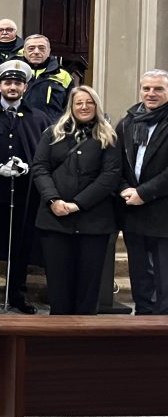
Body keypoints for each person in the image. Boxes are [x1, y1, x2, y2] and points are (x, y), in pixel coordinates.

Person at [31, 86, 122, 315]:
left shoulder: (108, 136)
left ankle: (84, 332)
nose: (84, 107)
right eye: (79, 102)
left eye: (89, 102)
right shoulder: (53, 133)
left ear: (96, 106)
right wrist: (53, 199)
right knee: (58, 286)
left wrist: (78, 204)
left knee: (88, 288)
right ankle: (60, 331)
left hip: (94, 222)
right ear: (70, 106)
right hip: (55, 219)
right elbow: (40, 168)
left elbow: (110, 176)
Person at [0, 60, 52, 311]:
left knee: (20, 245)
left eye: (17, 83)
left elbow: (44, 153)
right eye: (7, 83)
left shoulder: (38, 117)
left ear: (25, 87)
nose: (12, 87)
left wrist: (28, 166)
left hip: (24, 192)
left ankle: (17, 292)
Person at [117, 69, 168, 315]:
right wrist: (124, 188)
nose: (151, 93)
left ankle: (162, 326)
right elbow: (114, 163)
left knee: (164, 277)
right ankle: (143, 321)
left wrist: (144, 193)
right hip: (132, 210)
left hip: (162, 209)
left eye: (158, 89)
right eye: (146, 88)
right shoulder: (128, 121)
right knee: (139, 274)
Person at [21, 34, 73, 117]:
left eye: (41, 48)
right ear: (24, 52)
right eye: (31, 48)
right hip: (21, 123)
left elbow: (70, 107)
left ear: (49, 51)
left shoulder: (63, 76)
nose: (36, 52)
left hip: (53, 124)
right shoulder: (15, 73)